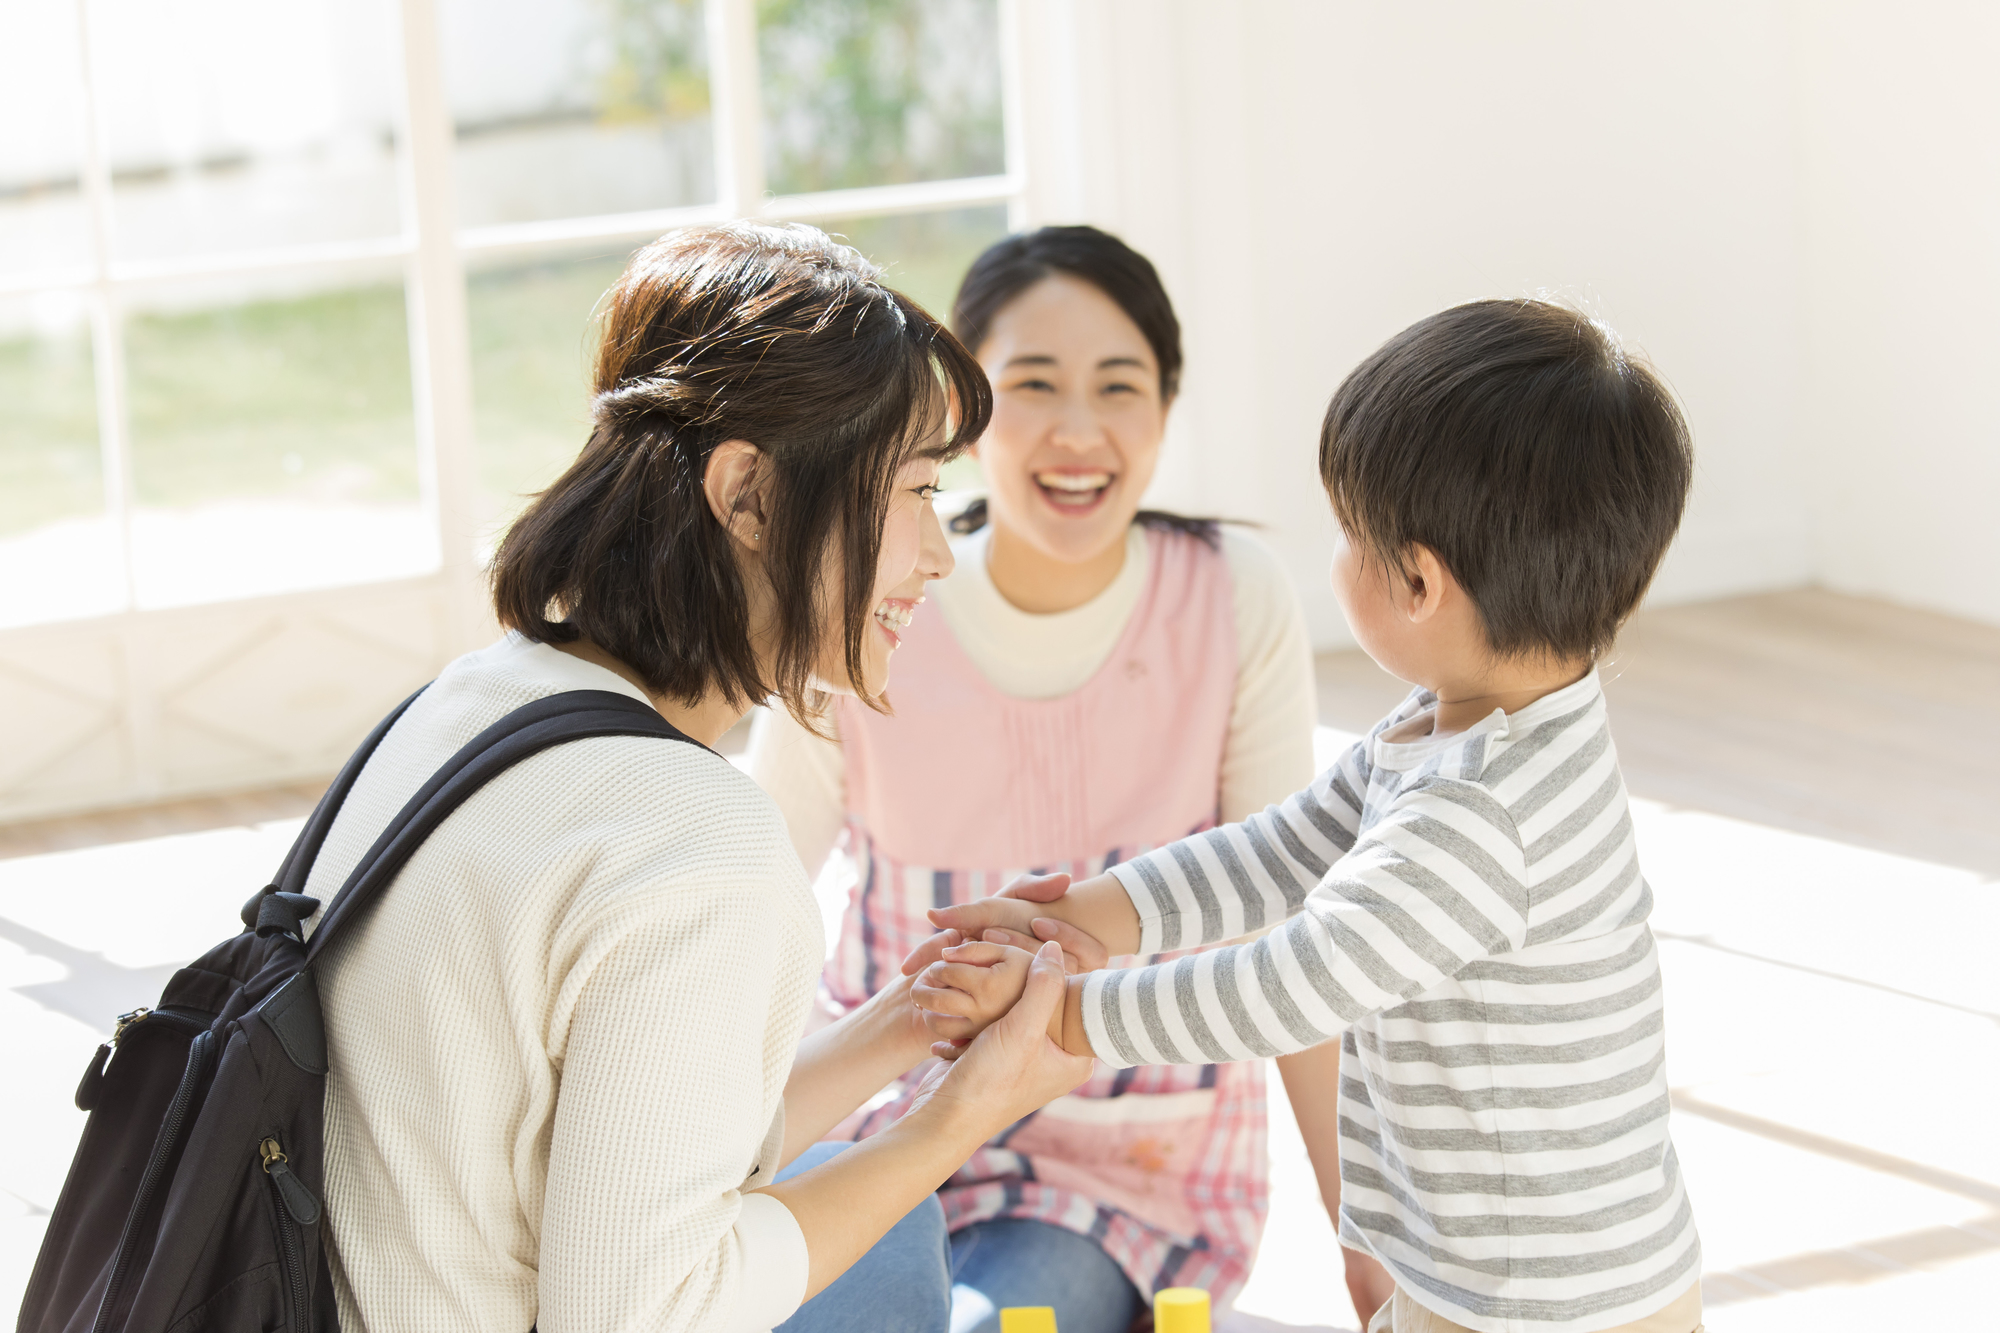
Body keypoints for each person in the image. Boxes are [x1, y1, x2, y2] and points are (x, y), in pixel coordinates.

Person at [301, 222, 1092, 1333]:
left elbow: (630, 1148)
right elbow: (639, 1311)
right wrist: (961, 1118)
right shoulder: (694, 843)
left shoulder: (476, 702)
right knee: (891, 1227)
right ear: (749, 496)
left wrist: (909, 1023)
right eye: (913, 490)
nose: (935, 552)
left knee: (869, 1221)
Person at [912, 299, 1707, 1333]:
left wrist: (1065, 1015)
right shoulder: (1462, 722)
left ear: (1416, 581)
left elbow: (1294, 983)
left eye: (1347, 532)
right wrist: (1086, 918)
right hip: (1481, 1268)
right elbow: (1284, 851)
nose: (1331, 554)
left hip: (1541, 1305)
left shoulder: (1481, 815)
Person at [748, 225, 1381, 1329]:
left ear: (1164, 409)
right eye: (1031, 383)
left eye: (1119, 386)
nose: (1078, 431)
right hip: (878, 1125)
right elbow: (746, 896)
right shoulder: (872, 584)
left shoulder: (1229, 596)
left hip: (1114, 1171)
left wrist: (1357, 1228)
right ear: (958, 417)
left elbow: (1299, 941)